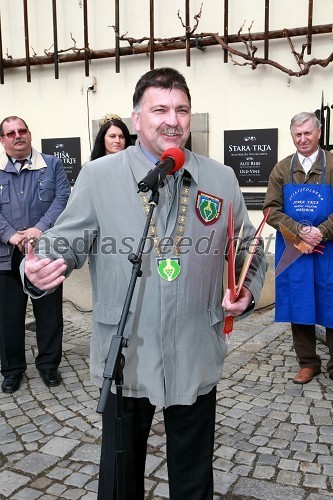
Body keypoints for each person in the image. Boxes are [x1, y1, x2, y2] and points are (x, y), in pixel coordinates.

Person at [23, 67, 267, 499]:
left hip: (195, 347)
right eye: (160, 109)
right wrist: (39, 263)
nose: (172, 119)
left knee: (194, 480)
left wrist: (245, 291)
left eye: (182, 110)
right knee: (120, 479)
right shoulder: (100, 176)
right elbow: (66, 237)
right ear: (137, 120)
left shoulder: (221, 178)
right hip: (125, 354)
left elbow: (249, 248)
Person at [0, 115, 71, 394]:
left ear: (29, 134)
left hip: (44, 251)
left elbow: (63, 198)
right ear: (3, 140)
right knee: (9, 316)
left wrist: (40, 229)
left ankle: (48, 365)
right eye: (11, 133)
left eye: (22, 131)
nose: (18, 136)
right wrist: (11, 235)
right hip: (6, 255)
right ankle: (13, 370)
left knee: (49, 313)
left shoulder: (51, 164)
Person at [263, 111, 333, 385]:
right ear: (292, 136)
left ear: (318, 133)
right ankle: (308, 362)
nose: (303, 139)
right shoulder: (281, 169)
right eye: (297, 134)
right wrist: (299, 231)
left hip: (329, 250)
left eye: (308, 133)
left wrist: (322, 232)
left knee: (331, 301)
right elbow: (270, 210)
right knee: (300, 302)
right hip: (295, 251)